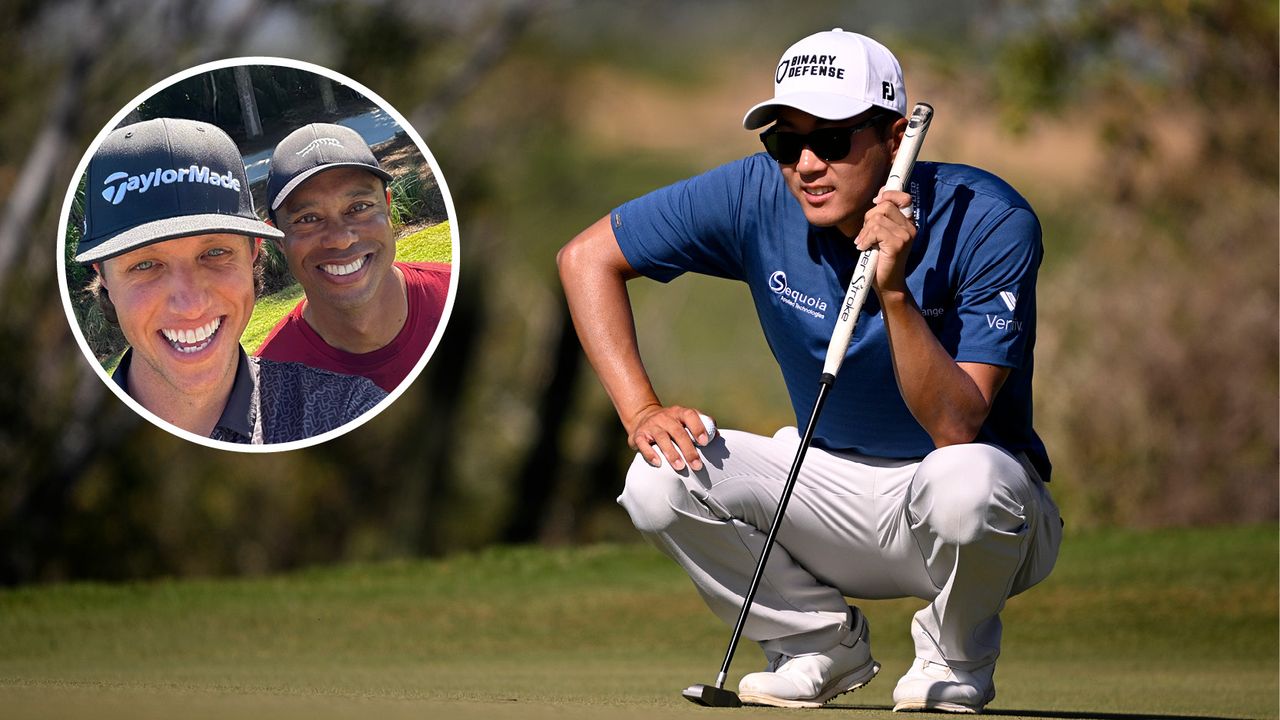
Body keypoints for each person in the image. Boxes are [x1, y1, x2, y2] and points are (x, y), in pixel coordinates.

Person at [557, 28, 1062, 713]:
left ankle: (954, 662)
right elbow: (586, 258)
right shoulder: (754, 194)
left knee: (967, 482)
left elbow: (957, 423)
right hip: (826, 489)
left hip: (974, 511)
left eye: (830, 141)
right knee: (657, 478)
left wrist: (893, 292)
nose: (805, 165)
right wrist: (640, 410)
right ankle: (816, 645)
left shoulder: (989, 220)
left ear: (892, 138)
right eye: (783, 142)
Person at [77, 117, 387, 444]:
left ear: (253, 251)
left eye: (214, 253)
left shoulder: (342, 414)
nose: (191, 304)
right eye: (146, 264)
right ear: (103, 274)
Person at [255, 123, 451, 393]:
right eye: (308, 219)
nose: (341, 238)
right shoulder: (273, 388)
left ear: (388, 206)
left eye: (359, 208)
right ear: (278, 238)